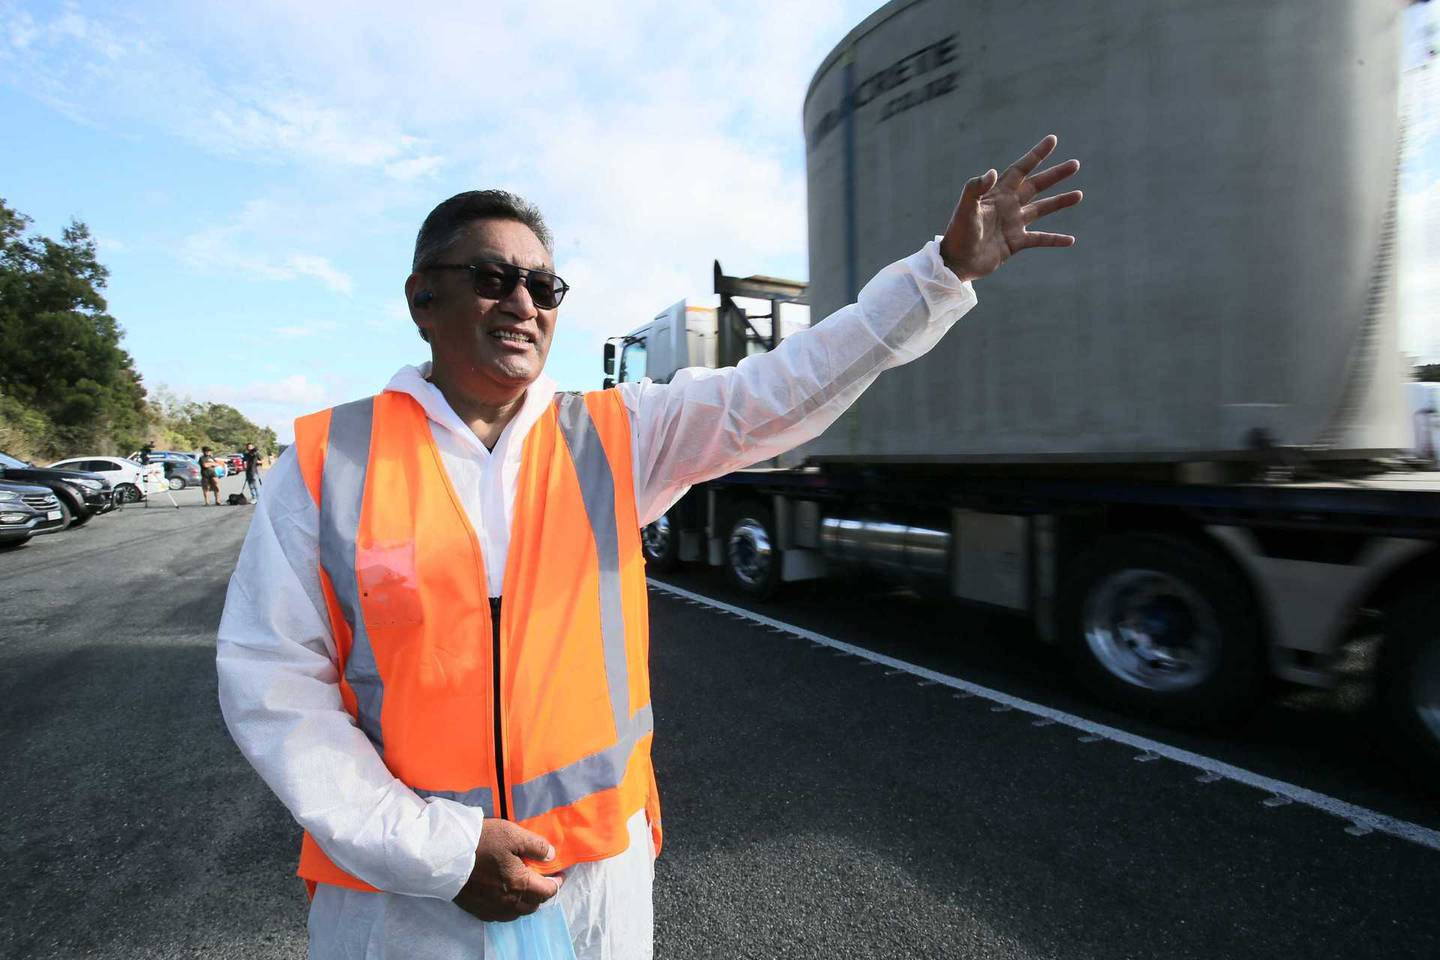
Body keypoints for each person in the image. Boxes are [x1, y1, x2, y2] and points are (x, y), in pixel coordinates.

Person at [216, 135, 1082, 959]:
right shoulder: (330, 464)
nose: (523, 301)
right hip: (402, 905)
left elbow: (782, 388)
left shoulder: (614, 437)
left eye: (544, 286)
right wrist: (434, 852)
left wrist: (940, 274)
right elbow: (274, 683)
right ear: (421, 301)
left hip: (591, 885)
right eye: (491, 277)